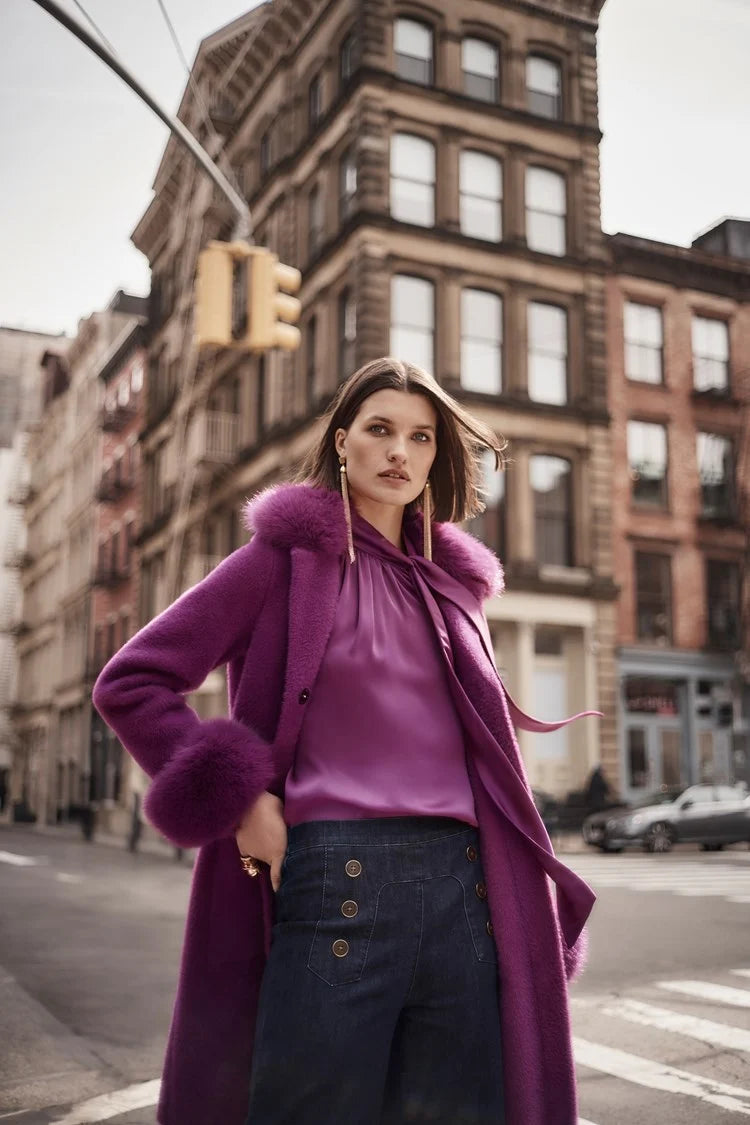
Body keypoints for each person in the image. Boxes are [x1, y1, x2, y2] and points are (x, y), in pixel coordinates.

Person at [93, 358, 599, 1125]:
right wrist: (242, 802)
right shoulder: (279, 564)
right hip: (339, 881)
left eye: (421, 437)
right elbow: (132, 682)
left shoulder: (452, 589)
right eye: (380, 430)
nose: (400, 451)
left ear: (436, 456)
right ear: (342, 442)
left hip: (466, 891)